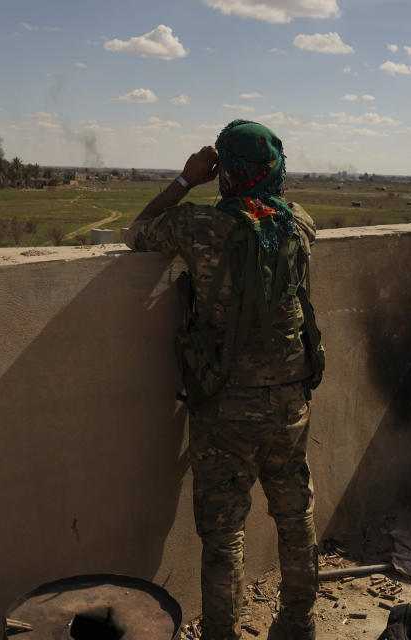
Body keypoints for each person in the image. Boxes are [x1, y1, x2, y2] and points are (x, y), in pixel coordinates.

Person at [124, 120, 323, 640]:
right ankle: (299, 625)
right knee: (294, 516)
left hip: (225, 408)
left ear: (224, 172)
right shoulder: (299, 224)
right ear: (276, 169)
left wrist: (187, 181)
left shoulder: (196, 227)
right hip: (289, 402)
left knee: (223, 533)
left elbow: (137, 233)